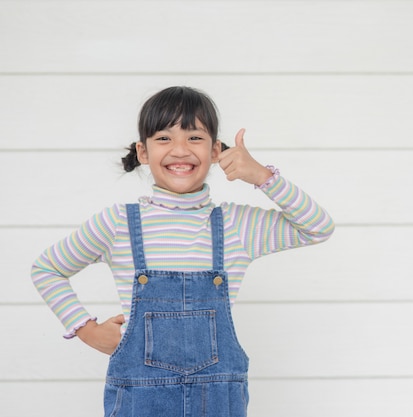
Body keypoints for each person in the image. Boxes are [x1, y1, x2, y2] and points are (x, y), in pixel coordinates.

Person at [31, 86, 335, 416]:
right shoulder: (118, 222)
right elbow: (47, 269)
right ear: (143, 152)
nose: (179, 150)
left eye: (194, 138)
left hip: (217, 403)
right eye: (163, 138)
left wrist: (263, 177)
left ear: (216, 150)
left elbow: (318, 227)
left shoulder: (236, 224)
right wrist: (87, 330)